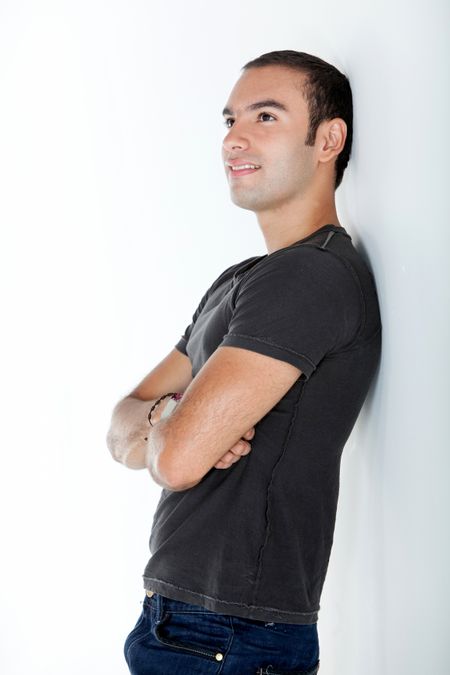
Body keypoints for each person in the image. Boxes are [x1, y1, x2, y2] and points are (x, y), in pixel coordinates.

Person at [107, 49, 382, 675]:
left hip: (227, 633)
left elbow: (176, 462)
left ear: (328, 139)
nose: (235, 138)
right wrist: (172, 419)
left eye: (265, 117)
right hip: (186, 621)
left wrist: (169, 436)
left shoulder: (308, 277)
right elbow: (122, 423)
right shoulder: (245, 280)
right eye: (229, 120)